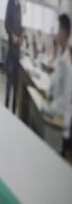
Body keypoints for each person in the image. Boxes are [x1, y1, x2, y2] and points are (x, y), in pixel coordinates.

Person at [48, 14, 72, 158]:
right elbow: (56, 81)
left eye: (58, 30)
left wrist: (51, 107)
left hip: (61, 119)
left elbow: (67, 95)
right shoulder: (62, 56)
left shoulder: (67, 62)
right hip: (57, 114)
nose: (56, 33)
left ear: (64, 33)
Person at [4, 0, 25, 114]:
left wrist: (23, 34)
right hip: (11, 49)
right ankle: (5, 110)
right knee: (9, 84)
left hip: (18, 51)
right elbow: (6, 23)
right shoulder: (11, 1)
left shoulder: (19, 4)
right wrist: (12, 35)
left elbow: (20, 24)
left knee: (17, 84)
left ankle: (12, 113)